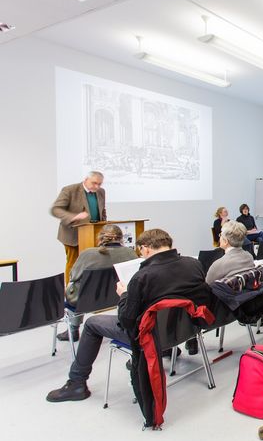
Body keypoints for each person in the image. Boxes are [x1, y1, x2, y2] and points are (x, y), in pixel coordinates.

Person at [46, 228, 210, 402]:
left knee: (92, 323)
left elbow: (127, 321)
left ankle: (76, 382)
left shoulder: (143, 276)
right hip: (185, 329)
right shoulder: (194, 264)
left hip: (150, 336)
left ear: (146, 248)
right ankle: (167, 349)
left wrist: (124, 295)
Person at [58, 224, 138, 342]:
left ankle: (73, 329)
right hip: (119, 297)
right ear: (121, 239)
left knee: (72, 289)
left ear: (100, 238)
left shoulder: (88, 254)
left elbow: (73, 276)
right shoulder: (130, 253)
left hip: (87, 300)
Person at [51, 171, 107, 284]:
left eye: (99, 184)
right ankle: (70, 292)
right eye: (94, 183)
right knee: (73, 264)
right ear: (86, 180)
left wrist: (104, 226)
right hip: (72, 235)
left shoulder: (101, 192)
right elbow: (56, 209)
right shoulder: (70, 190)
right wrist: (74, 216)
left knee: (93, 264)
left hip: (94, 234)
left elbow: (102, 210)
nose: (97, 186)